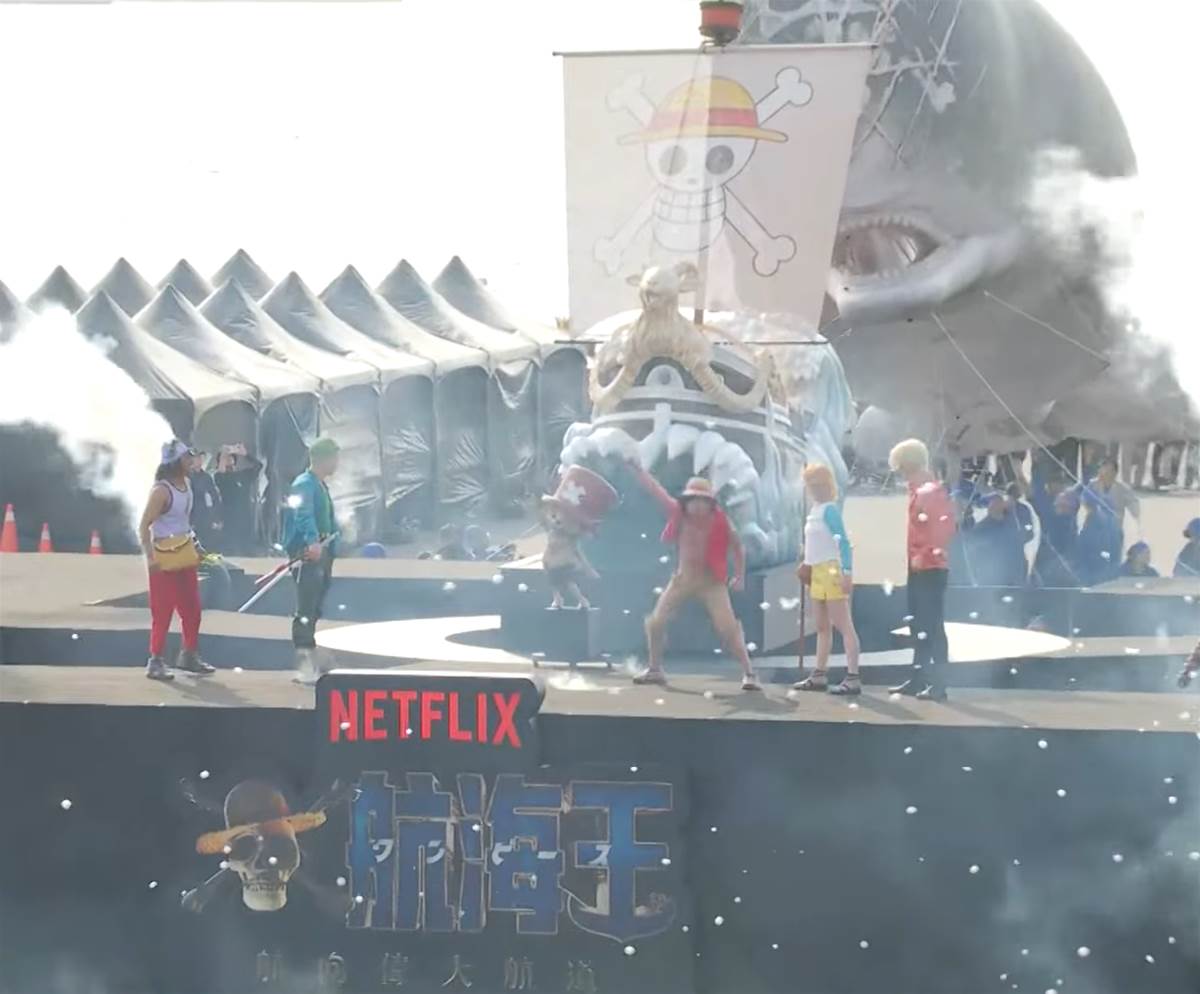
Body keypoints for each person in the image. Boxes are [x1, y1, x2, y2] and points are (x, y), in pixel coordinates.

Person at [629, 461, 759, 691]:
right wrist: (638, 470)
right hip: (683, 579)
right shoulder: (678, 513)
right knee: (656, 622)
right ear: (686, 502)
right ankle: (655, 669)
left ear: (710, 504)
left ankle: (749, 672)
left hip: (711, 582)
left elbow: (738, 547)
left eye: (703, 501)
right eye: (693, 501)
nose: (697, 506)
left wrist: (740, 576)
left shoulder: (721, 521)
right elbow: (657, 491)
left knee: (728, 627)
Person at [138, 440, 216, 681]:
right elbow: (144, 526)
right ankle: (155, 660)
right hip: (164, 557)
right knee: (162, 611)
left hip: (183, 552)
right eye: (186, 457)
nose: (190, 461)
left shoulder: (186, 485)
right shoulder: (161, 491)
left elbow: (183, 523)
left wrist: (196, 546)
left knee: (192, 608)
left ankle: (189, 655)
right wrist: (150, 558)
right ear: (175, 461)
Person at [888, 439, 957, 701]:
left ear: (908, 465)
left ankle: (938, 684)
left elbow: (943, 529)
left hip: (930, 568)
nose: (900, 473)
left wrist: (924, 555)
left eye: (901, 467)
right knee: (919, 625)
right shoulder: (922, 491)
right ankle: (920, 678)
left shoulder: (928, 492)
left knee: (932, 626)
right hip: (921, 566)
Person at [792, 463, 862, 696]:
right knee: (822, 626)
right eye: (809, 484)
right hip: (816, 570)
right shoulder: (815, 509)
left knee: (843, 624)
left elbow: (843, 542)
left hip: (831, 570)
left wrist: (847, 571)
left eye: (815, 484)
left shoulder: (830, 510)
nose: (812, 489)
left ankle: (853, 676)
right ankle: (819, 673)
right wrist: (806, 562)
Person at [281, 438, 340, 685]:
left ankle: (311, 656)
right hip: (307, 553)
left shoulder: (320, 485)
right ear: (323, 459)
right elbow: (303, 515)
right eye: (334, 458)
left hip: (323, 552)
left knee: (314, 606)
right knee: (306, 607)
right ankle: (304, 663)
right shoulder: (304, 484)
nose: (337, 463)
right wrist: (312, 541)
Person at [1075, 458, 1140, 586]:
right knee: (1088, 559)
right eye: (1102, 471)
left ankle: (1111, 584)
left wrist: (1133, 511)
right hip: (1093, 530)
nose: (1104, 474)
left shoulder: (1122, 488)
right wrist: (1093, 508)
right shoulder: (1092, 485)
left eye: (1108, 471)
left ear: (1115, 473)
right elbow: (1083, 500)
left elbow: (1135, 506)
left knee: (1112, 562)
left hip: (1113, 532)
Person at [961, 491, 1031, 588]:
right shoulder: (980, 529)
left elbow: (1023, 541)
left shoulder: (1012, 524)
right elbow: (974, 553)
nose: (995, 506)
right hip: (993, 580)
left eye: (999, 502)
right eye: (993, 503)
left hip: (1015, 578)